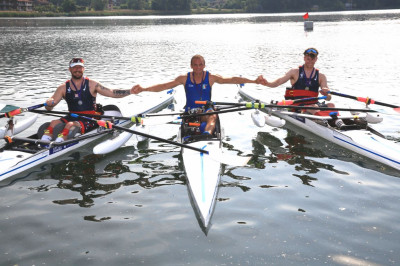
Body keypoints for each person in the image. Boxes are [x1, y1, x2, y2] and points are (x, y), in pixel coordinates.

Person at [132, 54, 264, 135]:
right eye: (195, 65)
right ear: (191, 66)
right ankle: (198, 131)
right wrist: (144, 89)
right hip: (190, 112)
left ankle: (207, 134)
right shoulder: (184, 78)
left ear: (204, 65)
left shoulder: (211, 77)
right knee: (197, 122)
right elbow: (164, 86)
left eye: (201, 65)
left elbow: (232, 80)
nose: (198, 67)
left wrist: (253, 81)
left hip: (206, 111)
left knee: (213, 114)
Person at [41, 58, 135, 142]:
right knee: (53, 123)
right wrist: (49, 103)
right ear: (70, 69)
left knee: (69, 125)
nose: (77, 69)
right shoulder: (63, 87)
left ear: (83, 69)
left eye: (80, 67)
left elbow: (111, 92)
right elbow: (50, 106)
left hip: (91, 117)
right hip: (72, 116)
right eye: (74, 67)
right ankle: (43, 142)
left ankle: (58, 143)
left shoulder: (92, 84)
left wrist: (130, 91)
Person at [259, 47, 344, 128]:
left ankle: (339, 123)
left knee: (331, 105)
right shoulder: (294, 72)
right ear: (304, 58)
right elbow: (278, 82)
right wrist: (267, 83)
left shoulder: (321, 76)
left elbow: (328, 98)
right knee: (313, 107)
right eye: (308, 58)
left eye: (312, 59)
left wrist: (326, 93)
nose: (310, 61)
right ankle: (327, 124)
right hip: (298, 105)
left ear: (316, 59)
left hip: (314, 104)